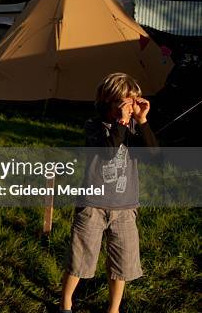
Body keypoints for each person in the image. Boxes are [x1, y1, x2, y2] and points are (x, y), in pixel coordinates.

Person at [60, 73, 158, 313]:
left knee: (122, 263)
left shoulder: (133, 126)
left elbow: (153, 155)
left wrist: (142, 121)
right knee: (79, 260)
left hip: (125, 207)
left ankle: (113, 309)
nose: (129, 107)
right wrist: (121, 124)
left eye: (132, 102)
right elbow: (108, 153)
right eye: (124, 102)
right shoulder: (94, 126)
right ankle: (65, 304)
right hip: (92, 204)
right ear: (108, 101)